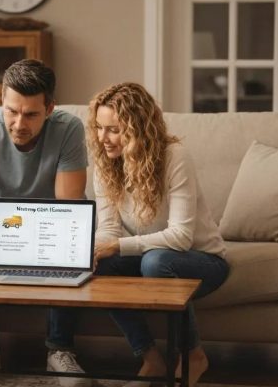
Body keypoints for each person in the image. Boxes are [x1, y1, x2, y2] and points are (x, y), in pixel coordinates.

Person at [0, 59, 91, 387]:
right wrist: (14, 229)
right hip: (4, 228)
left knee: (69, 244)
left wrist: (33, 231)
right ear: (1, 100)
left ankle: (60, 350)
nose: (18, 123)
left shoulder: (69, 128)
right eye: (11, 110)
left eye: (31, 114)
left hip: (50, 226)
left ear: (50, 108)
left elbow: (68, 208)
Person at [87, 82, 229, 386]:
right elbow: (109, 229)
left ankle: (193, 355)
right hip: (149, 257)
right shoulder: (105, 163)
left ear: (138, 128)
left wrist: (117, 245)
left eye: (113, 130)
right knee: (101, 267)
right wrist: (91, 252)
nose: (102, 139)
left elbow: (180, 237)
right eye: (99, 128)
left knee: (155, 262)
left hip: (203, 261)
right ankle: (150, 359)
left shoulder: (174, 157)